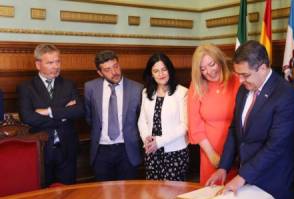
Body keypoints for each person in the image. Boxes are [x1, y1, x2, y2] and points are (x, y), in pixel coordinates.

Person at [206, 40, 294, 199]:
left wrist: (242, 176)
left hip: (272, 184)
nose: (240, 80)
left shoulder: (286, 96)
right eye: (237, 74)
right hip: (247, 182)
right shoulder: (244, 89)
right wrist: (223, 167)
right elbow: (235, 130)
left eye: (245, 75)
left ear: (263, 68)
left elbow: (276, 147)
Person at [18, 44, 84, 186]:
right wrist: (64, 115)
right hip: (41, 150)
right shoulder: (26, 87)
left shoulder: (68, 84)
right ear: (38, 64)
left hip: (68, 149)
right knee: (44, 197)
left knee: (69, 195)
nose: (56, 66)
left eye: (58, 61)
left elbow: (79, 111)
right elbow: (28, 118)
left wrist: (49, 111)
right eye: (50, 62)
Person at [84, 50, 143, 181]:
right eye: (107, 69)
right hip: (101, 150)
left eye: (116, 66)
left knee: (129, 194)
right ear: (99, 73)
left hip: (127, 150)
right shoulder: (90, 88)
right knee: (104, 194)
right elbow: (89, 117)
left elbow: (142, 120)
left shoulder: (137, 88)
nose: (114, 72)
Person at [188, 44, 241, 185]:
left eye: (212, 64)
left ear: (220, 60)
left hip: (238, 151)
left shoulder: (237, 81)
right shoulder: (196, 86)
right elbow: (195, 127)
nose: (209, 72)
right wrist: (212, 156)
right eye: (203, 69)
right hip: (209, 153)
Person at [138, 52, 189, 181]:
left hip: (175, 151)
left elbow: (184, 125)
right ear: (151, 74)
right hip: (152, 151)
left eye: (164, 69)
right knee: (153, 194)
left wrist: (159, 142)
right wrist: (147, 139)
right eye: (156, 71)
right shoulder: (146, 92)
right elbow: (142, 120)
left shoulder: (182, 92)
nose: (161, 74)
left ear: (169, 70)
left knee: (173, 193)